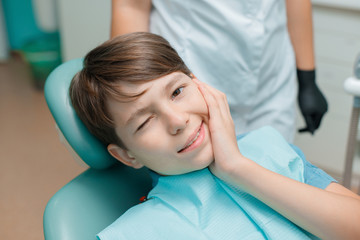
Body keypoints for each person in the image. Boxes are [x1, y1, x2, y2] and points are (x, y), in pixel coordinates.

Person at [70, 32, 360, 240]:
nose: (178, 120)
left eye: (177, 91)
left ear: (200, 84)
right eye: (145, 121)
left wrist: (238, 167)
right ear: (125, 154)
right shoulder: (138, 231)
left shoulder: (270, 147)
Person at [110, 0, 328, 143]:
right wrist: (131, 100)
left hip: (272, 78)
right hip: (192, 78)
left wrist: (307, 77)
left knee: (276, 176)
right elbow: (130, 6)